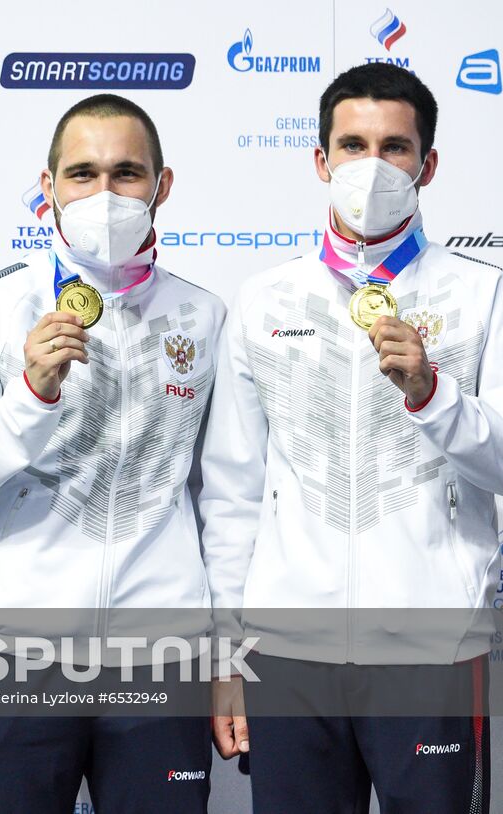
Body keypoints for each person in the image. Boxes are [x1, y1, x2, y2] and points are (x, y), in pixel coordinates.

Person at [200, 63, 500, 812]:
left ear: (427, 164)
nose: (372, 166)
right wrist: (229, 655)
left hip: (431, 653)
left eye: (394, 147)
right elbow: (234, 493)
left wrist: (434, 396)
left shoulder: (482, 293)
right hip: (289, 655)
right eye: (353, 144)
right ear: (320, 160)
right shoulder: (266, 299)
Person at [0, 94, 225, 813]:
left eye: (126, 173)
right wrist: (29, 395)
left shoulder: (204, 316)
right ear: (48, 186)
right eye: (82, 174)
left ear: (161, 186)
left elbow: (224, 500)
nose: (105, 195)